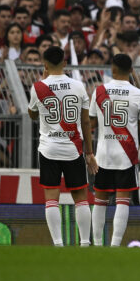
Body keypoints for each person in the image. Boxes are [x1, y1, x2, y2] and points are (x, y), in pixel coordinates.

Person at [27, 45, 94, 247]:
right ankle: (84, 242)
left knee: (51, 198)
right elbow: (86, 122)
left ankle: (58, 243)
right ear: (65, 63)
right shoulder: (78, 86)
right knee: (81, 197)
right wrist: (89, 152)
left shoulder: (38, 87)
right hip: (73, 148)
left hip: (49, 148)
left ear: (44, 64)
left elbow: (32, 114)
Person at [89, 53, 140, 247]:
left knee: (100, 199)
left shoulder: (99, 91)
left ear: (112, 70)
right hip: (127, 153)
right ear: (132, 70)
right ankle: (115, 245)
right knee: (123, 200)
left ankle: (97, 244)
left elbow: (90, 122)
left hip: (103, 153)